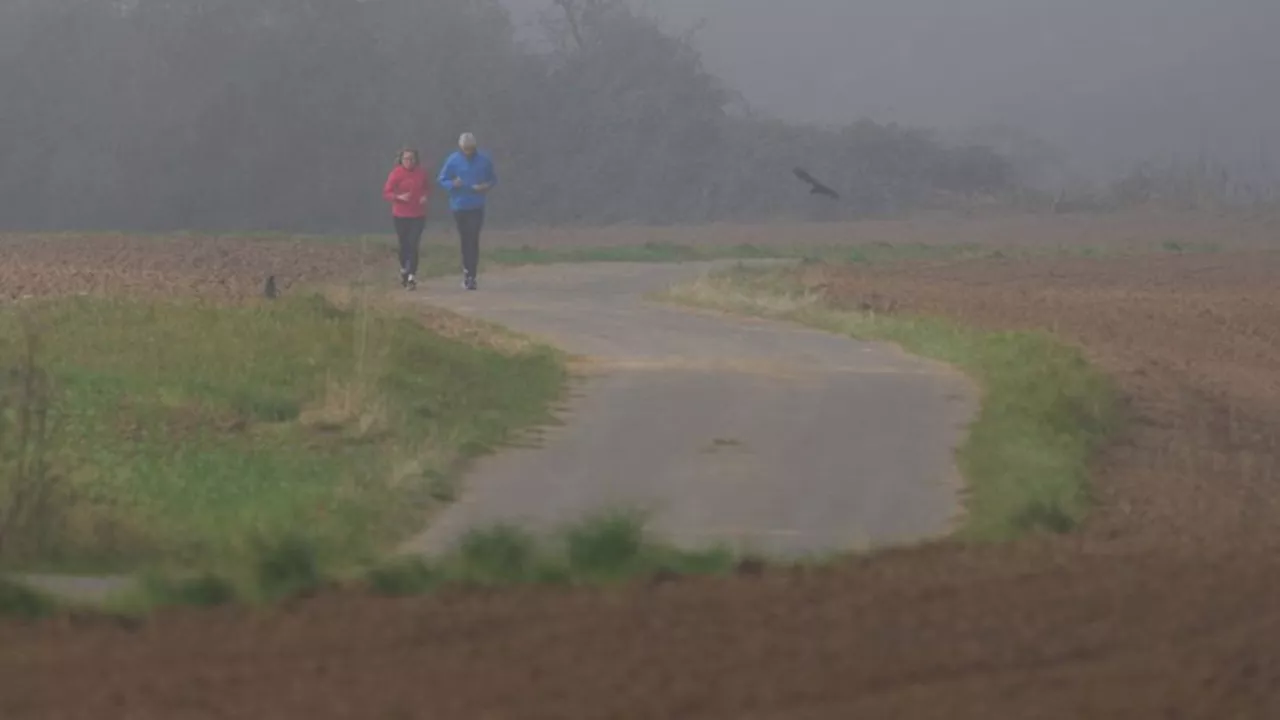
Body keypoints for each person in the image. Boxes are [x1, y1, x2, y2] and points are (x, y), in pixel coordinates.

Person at [437, 132, 497, 290]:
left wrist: (485, 186)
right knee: (465, 239)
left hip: (476, 205)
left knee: (473, 238)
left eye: (470, 149)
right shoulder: (453, 160)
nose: (468, 152)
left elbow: (492, 179)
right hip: (459, 205)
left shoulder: (484, 160)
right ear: (460, 147)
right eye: (465, 149)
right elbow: (442, 179)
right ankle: (466, 271)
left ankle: (472, 274)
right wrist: (452, 184)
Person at [382, 146, 430, 290]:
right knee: (404, 244)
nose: (409, 161)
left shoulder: (421, 173)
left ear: (416, 160)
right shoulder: (396, 174)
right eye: (406, 159)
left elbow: (428, 188)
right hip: (400, 214)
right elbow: (386, 193)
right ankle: (404, 268)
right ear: (401, 160)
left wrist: (424, 197)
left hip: (418, 215)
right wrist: (399, 197)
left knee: (414, 244)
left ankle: (411, 276)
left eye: (412, 159)